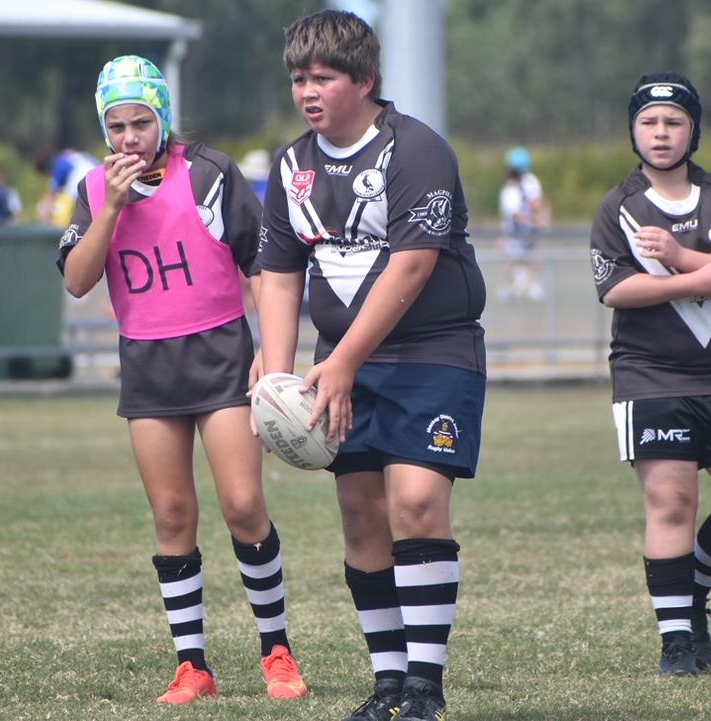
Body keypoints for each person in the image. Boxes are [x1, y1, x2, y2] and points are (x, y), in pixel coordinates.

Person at [56, 55, 308, 706]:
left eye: (141, 122)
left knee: (243, 504)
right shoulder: (92, 188)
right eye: (116, 126)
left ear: (162, 117)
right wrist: (110, 205)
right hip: (148, 363)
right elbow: (78, 279)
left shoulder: (210, 174)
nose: (129, 138)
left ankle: (275, 648)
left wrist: (271, 355)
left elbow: (263, 265)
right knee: (172, 515)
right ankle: (191, 663)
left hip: (221, 354)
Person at [257, 11, 487, 721]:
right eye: (299, 78)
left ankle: (425, 685)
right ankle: (388, 682)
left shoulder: (415, 149)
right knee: (361, 515)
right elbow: (280, 271)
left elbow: (414, 265)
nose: (308, 92)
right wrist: (276, 377)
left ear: (365, 79)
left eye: (323, 77)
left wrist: (344, 361)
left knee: (415, 501)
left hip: (431, 352)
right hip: (340, 365)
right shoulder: (292, 165)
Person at [588, 72, 711, 676]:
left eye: (673, 121)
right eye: (649, 122)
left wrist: (677, 257)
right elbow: (615, 289)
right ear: (633, 130)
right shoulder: (618, 206)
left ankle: (689, 594)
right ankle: (678, 642)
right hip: (650, 378)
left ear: (694, 129)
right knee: (672, 501)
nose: (661, 133)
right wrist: (698, 278)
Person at [497, 146, 550, 301]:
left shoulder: (531, 181)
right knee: (514, 260)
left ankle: (535, 286)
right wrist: (533, 221)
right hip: (514, 231)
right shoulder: (509, 190)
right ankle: (505, 288)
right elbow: (514, 215)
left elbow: (537, 202)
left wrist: (542, 216)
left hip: (529, 229)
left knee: (533, 257)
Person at [35, 146, 100, 227]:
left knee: (63, 211)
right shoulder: (66, 155)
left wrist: (44, 217)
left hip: (80, 175)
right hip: (97, 172)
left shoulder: (58, 164)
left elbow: (51, 195)